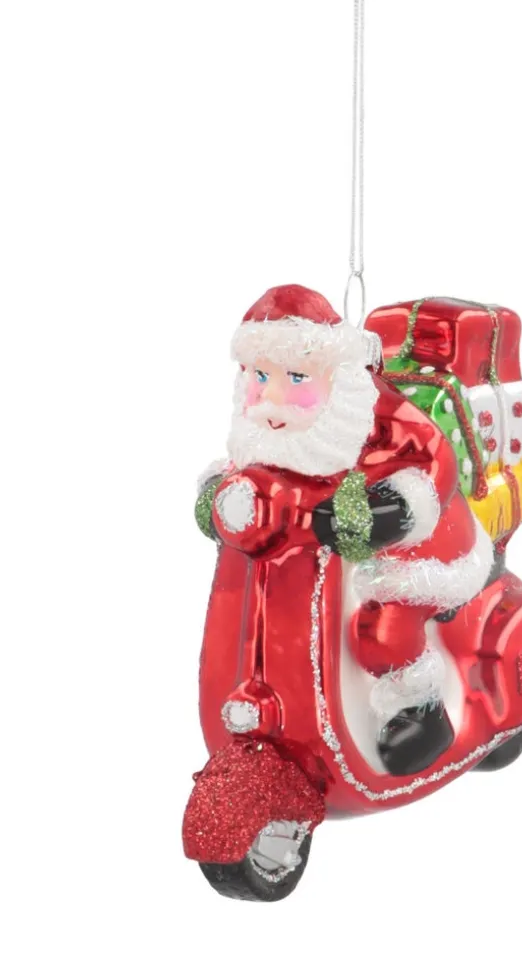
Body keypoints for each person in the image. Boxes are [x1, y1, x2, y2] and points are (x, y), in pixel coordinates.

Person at [196, 283, 495, 775]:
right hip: (309, 540)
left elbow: (431, 460)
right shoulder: (266, 431)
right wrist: (216, 492)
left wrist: (391, 509)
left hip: (419, 544)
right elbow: (244, 462)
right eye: (261, 376)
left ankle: (418, 708)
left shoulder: (371, 409)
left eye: (296, 377)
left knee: (383, 623)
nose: (273, 396)